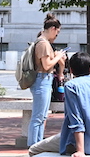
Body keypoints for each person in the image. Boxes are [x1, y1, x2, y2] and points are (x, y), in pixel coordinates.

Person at [28, 13, 66, 147]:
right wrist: (58, 56)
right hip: (42, 80)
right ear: (52, 29)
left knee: (42, 116)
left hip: (44, 80)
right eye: (57, 32)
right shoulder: (43, 44)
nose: (57, 35)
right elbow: (46, 65)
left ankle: (38, 144)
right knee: (38, 117)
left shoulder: (43, 43)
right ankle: (33, 145)